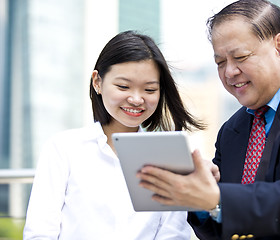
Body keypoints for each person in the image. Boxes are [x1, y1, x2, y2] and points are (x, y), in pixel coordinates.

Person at [137, 1, 280, 239]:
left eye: (240, 57)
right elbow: (225, 227)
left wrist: (217, 198)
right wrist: (200, 200)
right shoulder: (231, 131)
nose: (229, 72)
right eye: (220, 62)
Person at [23, 30, 206, 240]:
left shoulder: (168, 156)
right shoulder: (63, 148)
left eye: (149, 89)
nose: (137, 99)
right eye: (123, 86)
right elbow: (40, 232)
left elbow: (173, 234)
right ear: (97, 82)